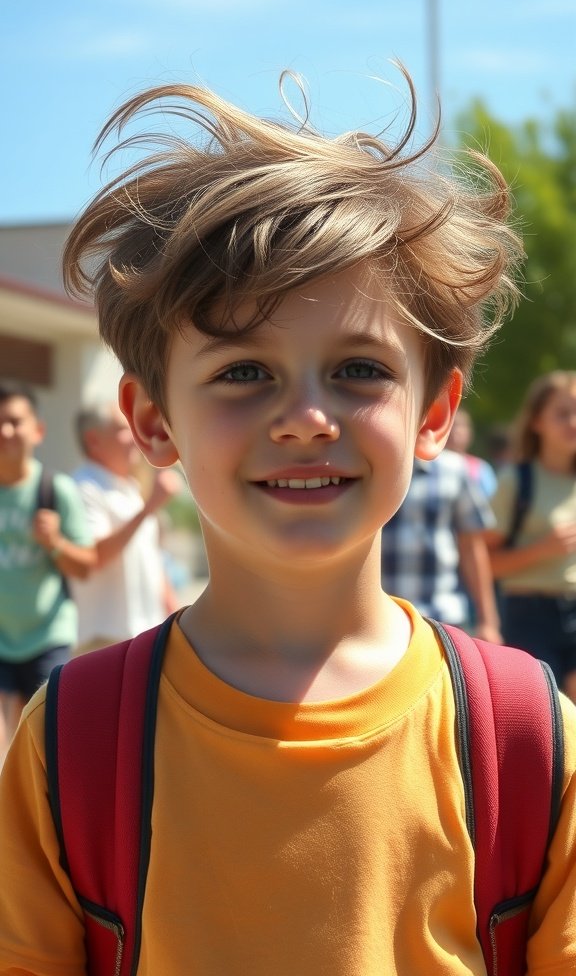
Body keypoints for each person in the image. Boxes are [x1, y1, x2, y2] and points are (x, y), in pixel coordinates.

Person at [0, 69, 575, 974]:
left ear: (434, 414)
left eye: (358, 370)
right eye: (242, 372)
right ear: (153, 422)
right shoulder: (74, 739)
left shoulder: (529, 739)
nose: (307, 416)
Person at [0, 381, 95, 765]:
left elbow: (85, 566)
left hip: (46, 636)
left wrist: (55, 542)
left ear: (37, 430)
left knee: (46, 748)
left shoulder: (56, 490)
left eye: (14, 422)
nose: (5, 432)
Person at [487, 370, 576, 703]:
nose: (573, 422)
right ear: (537, 422)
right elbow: (487, 564)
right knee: (542, 708)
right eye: (563, 413)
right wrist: (543, 549)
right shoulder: (517, 481)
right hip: (529, 613)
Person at [70, 403, 181, 652]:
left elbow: (151, 560)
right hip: (105, 641)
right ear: (93, 440)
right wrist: (148, 508)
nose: (135, 437)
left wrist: (174, 615)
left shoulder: (129, 488)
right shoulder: (81, 488)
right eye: (123, 429)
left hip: (144, 635)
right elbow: (95, 556)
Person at [381, 448, 502, 642]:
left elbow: (471, 547)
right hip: (380, 619)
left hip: (443, 617)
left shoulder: (454, 469)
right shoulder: (370, 468)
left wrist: (488, 621)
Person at [446, 406, 498, 498]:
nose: (456, 431)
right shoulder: (426, 465)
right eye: (452, 425)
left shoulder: (481, 469)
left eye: (461, 426)